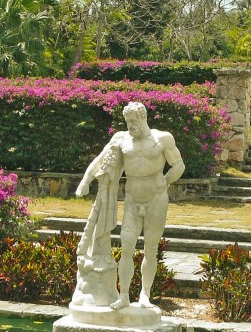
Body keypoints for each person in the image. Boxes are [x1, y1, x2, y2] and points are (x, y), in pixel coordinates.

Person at [75, 102, 185, 309]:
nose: (130, 125)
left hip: (156, 198)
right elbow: (101, 160)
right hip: (132, 199)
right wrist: (86, 181)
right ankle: (123, 295)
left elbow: (179, 164)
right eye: (128, 121)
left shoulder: (162, 138)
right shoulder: (121, 139)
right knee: (126, 246)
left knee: (150, 248)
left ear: (143, 118)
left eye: (134, 121)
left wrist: (167, 179)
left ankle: (145, 294)